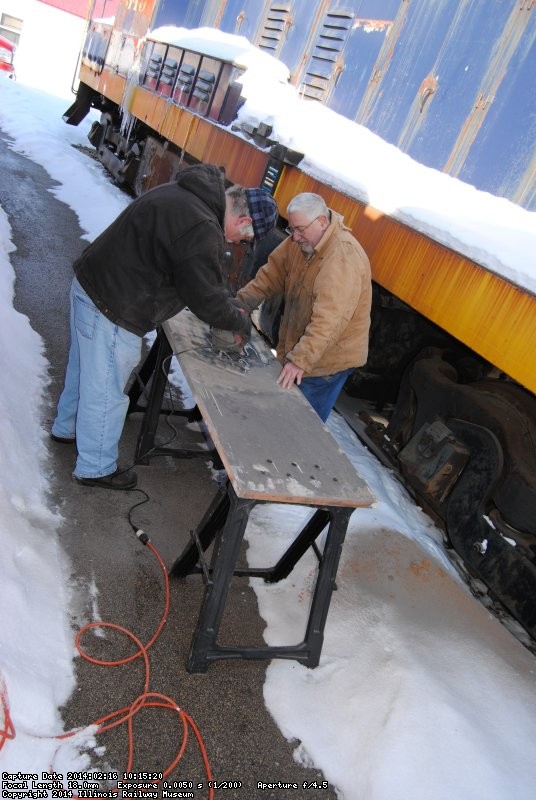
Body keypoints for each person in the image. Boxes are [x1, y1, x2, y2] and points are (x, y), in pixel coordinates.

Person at [51, 163, 278, 490]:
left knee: (83, 369)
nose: (238, 244)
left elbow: (202, 277)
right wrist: (239, 320)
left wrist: (225, 300)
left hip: (92, 284)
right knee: (105, 390)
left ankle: (65, 428)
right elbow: (205, 298)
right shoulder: (202, 225)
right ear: (243, 221)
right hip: (114, 306)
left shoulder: (189, 194)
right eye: (245, 238)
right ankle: (95, 468)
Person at [237, 192, 372, 423]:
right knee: (280, 416)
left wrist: (300, 360)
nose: (295, 237)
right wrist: (241, 304)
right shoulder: (300, 242)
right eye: (292, 230)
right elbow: (270, 275)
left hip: (325, 363)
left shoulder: (342, 257)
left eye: (300, 230)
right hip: (304, 349)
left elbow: (330, 320)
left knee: (300, 426)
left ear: (321, 222)